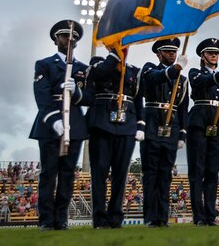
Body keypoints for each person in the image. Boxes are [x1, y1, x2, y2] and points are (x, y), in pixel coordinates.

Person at [29, 20, 91, 231]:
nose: (69, 40)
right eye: (64, 36)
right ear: (56, 39)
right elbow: (42, 94)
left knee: (68, 173)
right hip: (50, 123)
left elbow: (90, 97)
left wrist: (77, 92)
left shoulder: (83, 69)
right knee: (48, 173)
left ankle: (61, 218)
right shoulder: (44, 64)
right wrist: (54, 119)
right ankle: (46, 219)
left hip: (74, 123)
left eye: (72, 38)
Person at [85, 51, 143, 228]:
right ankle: (100, 217)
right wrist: (114, 57)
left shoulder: (134, 71)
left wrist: (140, 124)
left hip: (127, 123)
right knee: (100, 172)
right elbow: (99, 74)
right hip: (102, 122)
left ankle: (115, 216)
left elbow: (138, 98)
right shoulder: (98, 64)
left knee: (121, 173)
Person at [138, 38, 189, 228]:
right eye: (167, 51)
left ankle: (163, 216)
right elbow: (152, 78)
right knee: (151, 172)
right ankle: (151, 216)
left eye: (174, 52)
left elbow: (183, 107)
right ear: (158, 53)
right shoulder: (150, 68)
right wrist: (174, 70)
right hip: (152, 122)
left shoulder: (182, 80)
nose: (172, 54)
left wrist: (183, 133)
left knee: (166, 173)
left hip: (172, 125)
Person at [187, 38, 219, 226]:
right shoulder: (195, 73)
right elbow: (202, 82)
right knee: (197, 170)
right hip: (199, 120)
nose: (214, 55)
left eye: (216, 53)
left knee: (212, 172)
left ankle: (210, 213)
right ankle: (198, 215)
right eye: (210, 53)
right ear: (203, 56)